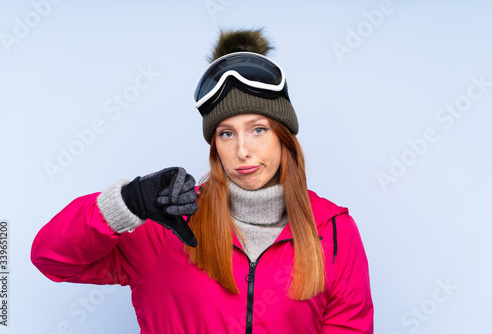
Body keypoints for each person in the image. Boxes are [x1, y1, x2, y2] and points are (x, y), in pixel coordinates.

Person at [31, 29, 374, 334]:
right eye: (226, 134)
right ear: (215, 146)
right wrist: (129, 202)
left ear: (284, 137)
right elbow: (53, 258)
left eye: (258, 129)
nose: (242, 150)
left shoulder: (334, 232)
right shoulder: (167, 225)